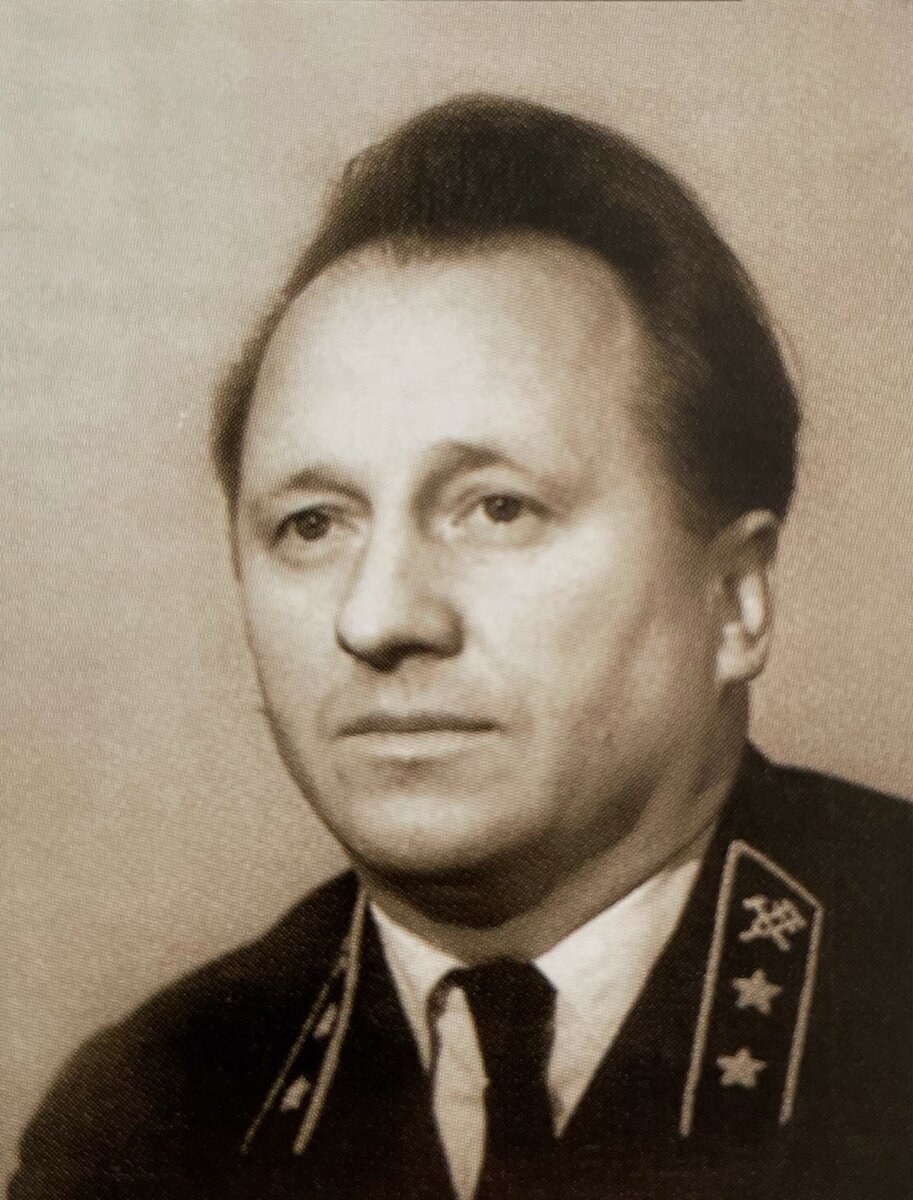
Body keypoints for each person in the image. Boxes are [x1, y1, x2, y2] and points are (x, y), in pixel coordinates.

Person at [10, 95, 911, 1200]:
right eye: (312, 525)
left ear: (735, 599)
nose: (378, 618)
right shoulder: (138, 1127)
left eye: (496, 508)